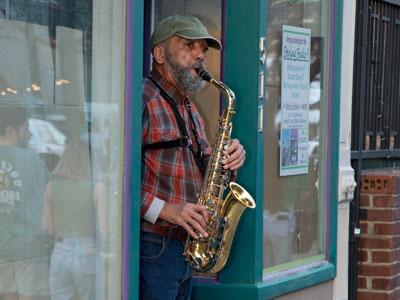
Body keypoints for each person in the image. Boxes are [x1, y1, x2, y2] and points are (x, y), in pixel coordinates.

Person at [141, 15, 246, 300]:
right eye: (189, 45)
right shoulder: (142, 99)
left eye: (204, 49)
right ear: (160, 54)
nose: (200, 55)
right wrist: (164, 210)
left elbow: (208, 171)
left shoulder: (189, 107)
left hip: (184, 247)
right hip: (153, 244)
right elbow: (110, 176)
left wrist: (230, 159)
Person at [42, 138, 108, 300]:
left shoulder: (51, 186)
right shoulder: (98, 188)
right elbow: (104, 231)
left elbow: (48, 229)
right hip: (88, 251)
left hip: (60, 250)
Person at [0, 106, 51, 300]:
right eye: (25, 128)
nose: (29, 134)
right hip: (28, 250)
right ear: (11, 130)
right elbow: (47, 203)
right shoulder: (32, 161)